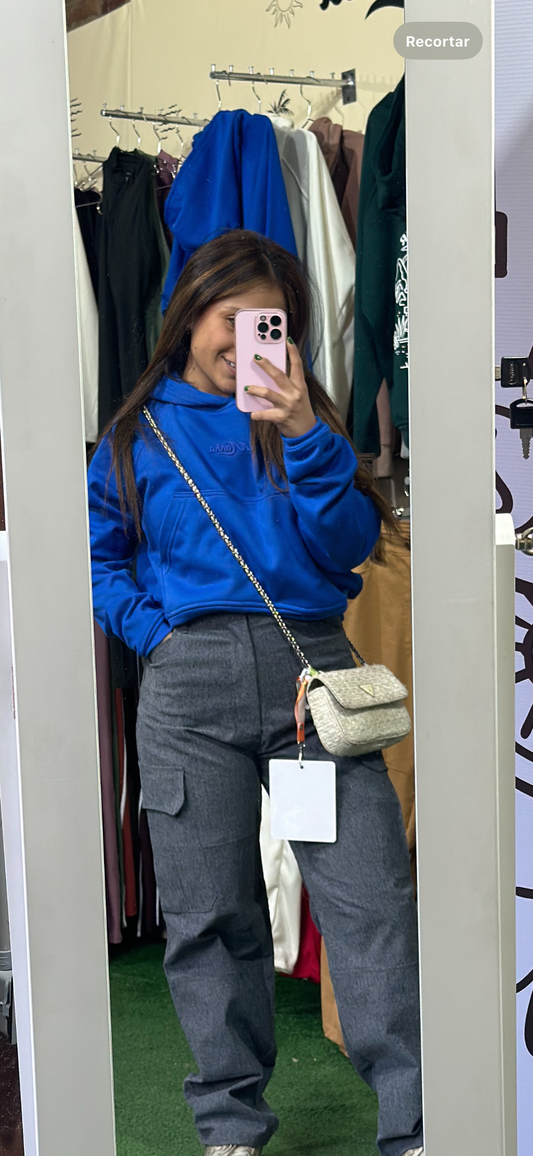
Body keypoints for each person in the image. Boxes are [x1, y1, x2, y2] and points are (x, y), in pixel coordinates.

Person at [88, 230, 423, 1156]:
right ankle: (231, 1122)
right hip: (187, 687)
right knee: (209, 917)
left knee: (369, 901)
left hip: (311, 678)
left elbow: (348, 545)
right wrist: (156, 634)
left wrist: (306, 433)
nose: (244, 342)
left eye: (266, 323)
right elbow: (97, 556)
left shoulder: (301, 419)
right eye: (227, 317)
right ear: (189, 314)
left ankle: (416, 1122)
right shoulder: (138, 433)